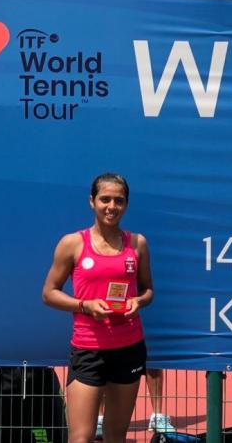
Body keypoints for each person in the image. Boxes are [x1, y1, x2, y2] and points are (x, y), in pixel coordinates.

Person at [42, 173, 154, 443]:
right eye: (105, 199)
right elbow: (48, 294)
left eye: (119, 200)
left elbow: (148, 290)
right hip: (88, 349)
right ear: (91, 202)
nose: (111, 206)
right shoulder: (73, 243)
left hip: (129, 348)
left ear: (126, 205)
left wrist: (138, 302)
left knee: (116, 436)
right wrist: (85, 305)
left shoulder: (137, 243)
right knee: (81, 438)